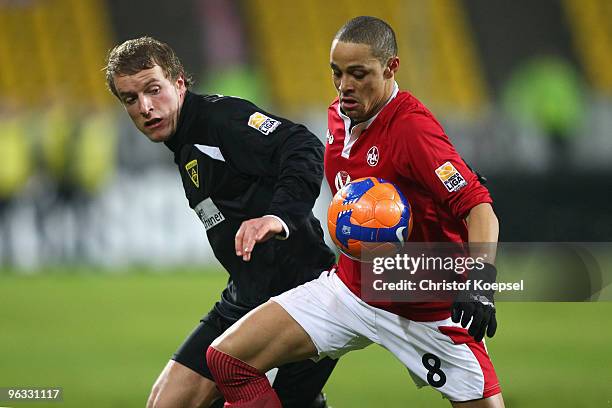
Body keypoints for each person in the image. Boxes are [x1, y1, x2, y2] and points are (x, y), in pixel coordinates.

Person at [206, 16, 505, 407]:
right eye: (337, 73)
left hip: (426, 308)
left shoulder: (413, 129)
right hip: (351, 290)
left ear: (391, 67)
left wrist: (479, 284)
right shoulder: (339, 115)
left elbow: (479, 207)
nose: (345, 85)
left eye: (359, 74)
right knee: (228, 359)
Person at [104, 37, 338, 408]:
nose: (146, 107)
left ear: (179, 84)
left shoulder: (219, 119)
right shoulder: (185, 142)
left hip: (298, 294)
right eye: (131, 99)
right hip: (246, 295)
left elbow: (302, 145)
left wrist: (278, 216)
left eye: (153, 90)